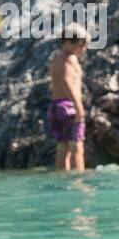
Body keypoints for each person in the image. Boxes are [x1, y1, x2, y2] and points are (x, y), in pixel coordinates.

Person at [47, 23, 88, 171]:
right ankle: (79, 182)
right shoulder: (70, 59)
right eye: (82, 44)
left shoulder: (56, 57)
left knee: (62, 146)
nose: (84, 49)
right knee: (77, 147)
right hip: (68, 107)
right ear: (71, 42)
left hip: (55, 106)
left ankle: (62, 181)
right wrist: (78, 108)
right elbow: (66, 81)